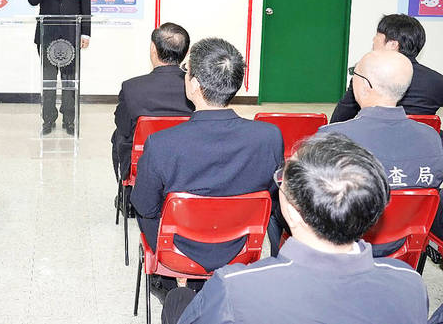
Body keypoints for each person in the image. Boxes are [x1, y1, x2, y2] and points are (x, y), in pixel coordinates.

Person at [164, 133, 428, 324]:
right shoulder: (410, 283)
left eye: (283, 179)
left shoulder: (235, 287)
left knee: (179, 299)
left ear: (292, 210)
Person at [131, 38, 282, 295]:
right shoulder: (269, 136)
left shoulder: (162, 143)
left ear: (195, 85)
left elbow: (145, 205)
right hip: (242, 248)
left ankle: (170, 284)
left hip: (178, 250)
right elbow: (271, 193)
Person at [320, 49, 443, 251]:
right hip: (403, 243)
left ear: (365, 86)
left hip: (345, 244)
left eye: (354, 74)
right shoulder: (432, 137)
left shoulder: (332, 137)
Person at [110, 22, 194, 215]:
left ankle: (129, 194)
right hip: (186, 159)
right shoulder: (195, 88)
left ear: (152, 49)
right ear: (186, 51)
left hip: (143, 161)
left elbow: (123, 126)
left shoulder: (132, 87)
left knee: (119, 135)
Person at [27, 0, 91, 135]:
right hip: (47, 35)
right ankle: (48, 119)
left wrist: (86, 32)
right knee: (48, 80)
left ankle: (70, 119)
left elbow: (85, 3)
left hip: (72, 34)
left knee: (70, 80)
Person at [331, 14, 443, 122]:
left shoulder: (366, 76)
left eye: (377, 37)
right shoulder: (437, 81)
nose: (373, 41)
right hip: (421, 140)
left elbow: (339, 121)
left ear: (393, 44)